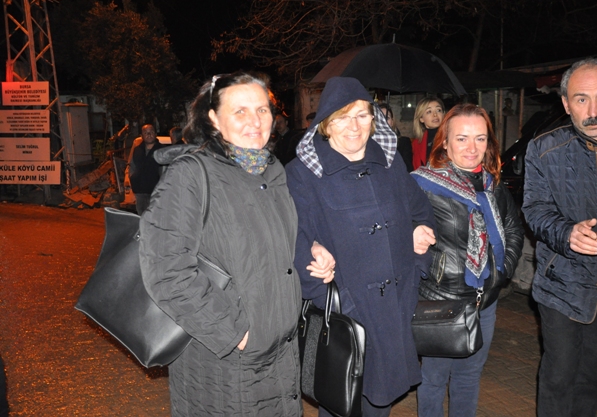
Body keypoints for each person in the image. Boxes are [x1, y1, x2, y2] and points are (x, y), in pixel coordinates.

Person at [139, 72, 331, 416]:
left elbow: (272, 243)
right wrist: (232, 333)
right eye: (240, 111)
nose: (255, 121)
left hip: (281, 353)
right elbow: (165, 269)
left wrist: (310, 248)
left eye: (262, 110)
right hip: (225, 360)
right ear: (213, 118)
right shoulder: (190, 175)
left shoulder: (272, 170)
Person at [286, 76, 437, 417]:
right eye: (342, 117)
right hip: (347, 313)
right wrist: (328, 294)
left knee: (380, 402)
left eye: (362, 115)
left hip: (395, 307)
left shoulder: (390, 162)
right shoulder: (303, 173)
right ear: (326, 125)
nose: (354, 126)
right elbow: (293, 237)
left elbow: (421, 211)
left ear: (374, 119)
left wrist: (417, 241)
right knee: (341, 402)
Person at [522, 58, 597, 417]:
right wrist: (567, 233)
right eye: (581, 99)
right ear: (565, 103)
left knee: (595, 380)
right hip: (563, 285)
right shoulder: (543, 149)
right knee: (558, 378)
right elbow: (535, 210)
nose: (594, 111)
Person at [412, 103, 524, 417]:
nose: (472, 148)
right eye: (461, 138)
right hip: (441, 301)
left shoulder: (492, 184)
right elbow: (396, 229)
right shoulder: (422, 185)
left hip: (484, 301)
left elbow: (513, 226)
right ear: (444, 142)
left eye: (480, 138)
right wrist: (411, 235)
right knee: (433, 379)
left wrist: (502, 270)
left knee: (469, 376)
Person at [129, 124, 164, 214]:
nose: (149, 135)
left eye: (151, 132)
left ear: (155, 134)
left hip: (156, 192)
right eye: (145, 133)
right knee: (141, 216)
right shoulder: (137, 150)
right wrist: (132, 179)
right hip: (140, 191)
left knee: (155, 216)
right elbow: (132, 166)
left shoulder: (162, 150)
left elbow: (165, 171)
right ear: (141, 136)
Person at [412, 98, 445, 170]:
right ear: (421, 119)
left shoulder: (451, 137)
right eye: (429, 111)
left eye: (438, 110)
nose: (435, 114)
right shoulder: (417, 143)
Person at [379, 103, 412, 172]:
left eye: (387, 118)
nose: (384, 121)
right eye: (380, 118)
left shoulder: (404, 143)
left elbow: (407, 169)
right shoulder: (369, 144)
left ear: (392, 121)